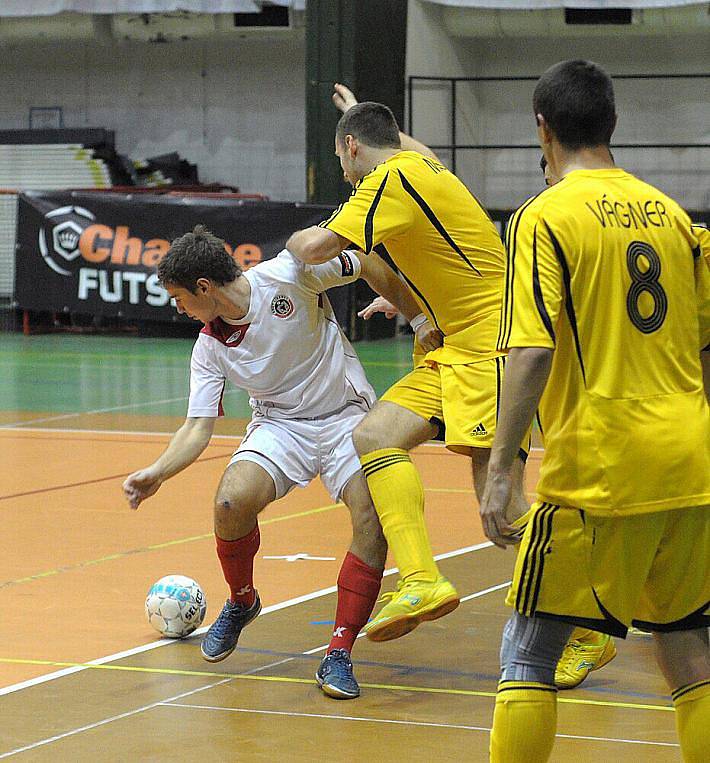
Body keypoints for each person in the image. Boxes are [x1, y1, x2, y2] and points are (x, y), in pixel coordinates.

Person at [479, 60, 710, 761]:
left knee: (527, 651)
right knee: (690, 650)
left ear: (541, 128)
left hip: (601, 470)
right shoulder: (673, 215)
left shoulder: (543, 217)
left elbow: (529, 350)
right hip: (690, 462)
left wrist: (499, 472)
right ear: (612, 125)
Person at [122, 225, 441, 700]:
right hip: (279, 426)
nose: (179, 309)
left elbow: (367, 260)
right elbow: (196, 428)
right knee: (230, 502)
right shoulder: (209, 346)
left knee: (371, 516)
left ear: (204, 288)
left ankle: (338, 651)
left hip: (345, 417)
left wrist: (418, 321)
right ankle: (242, 600)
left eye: (181, 299)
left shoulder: (290, 275)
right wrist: (158, 472)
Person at [286, 84, 530, 642]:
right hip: (454, 347)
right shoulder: (421, 169)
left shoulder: (386, 180)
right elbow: (412, 150)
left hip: (493, 343)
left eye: (341, 159)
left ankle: (584, 624)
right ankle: (420, 578)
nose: (345, 174)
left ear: (351, 148)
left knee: (505, 508)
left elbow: (317, 249)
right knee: (374, 436)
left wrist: (292, 243)